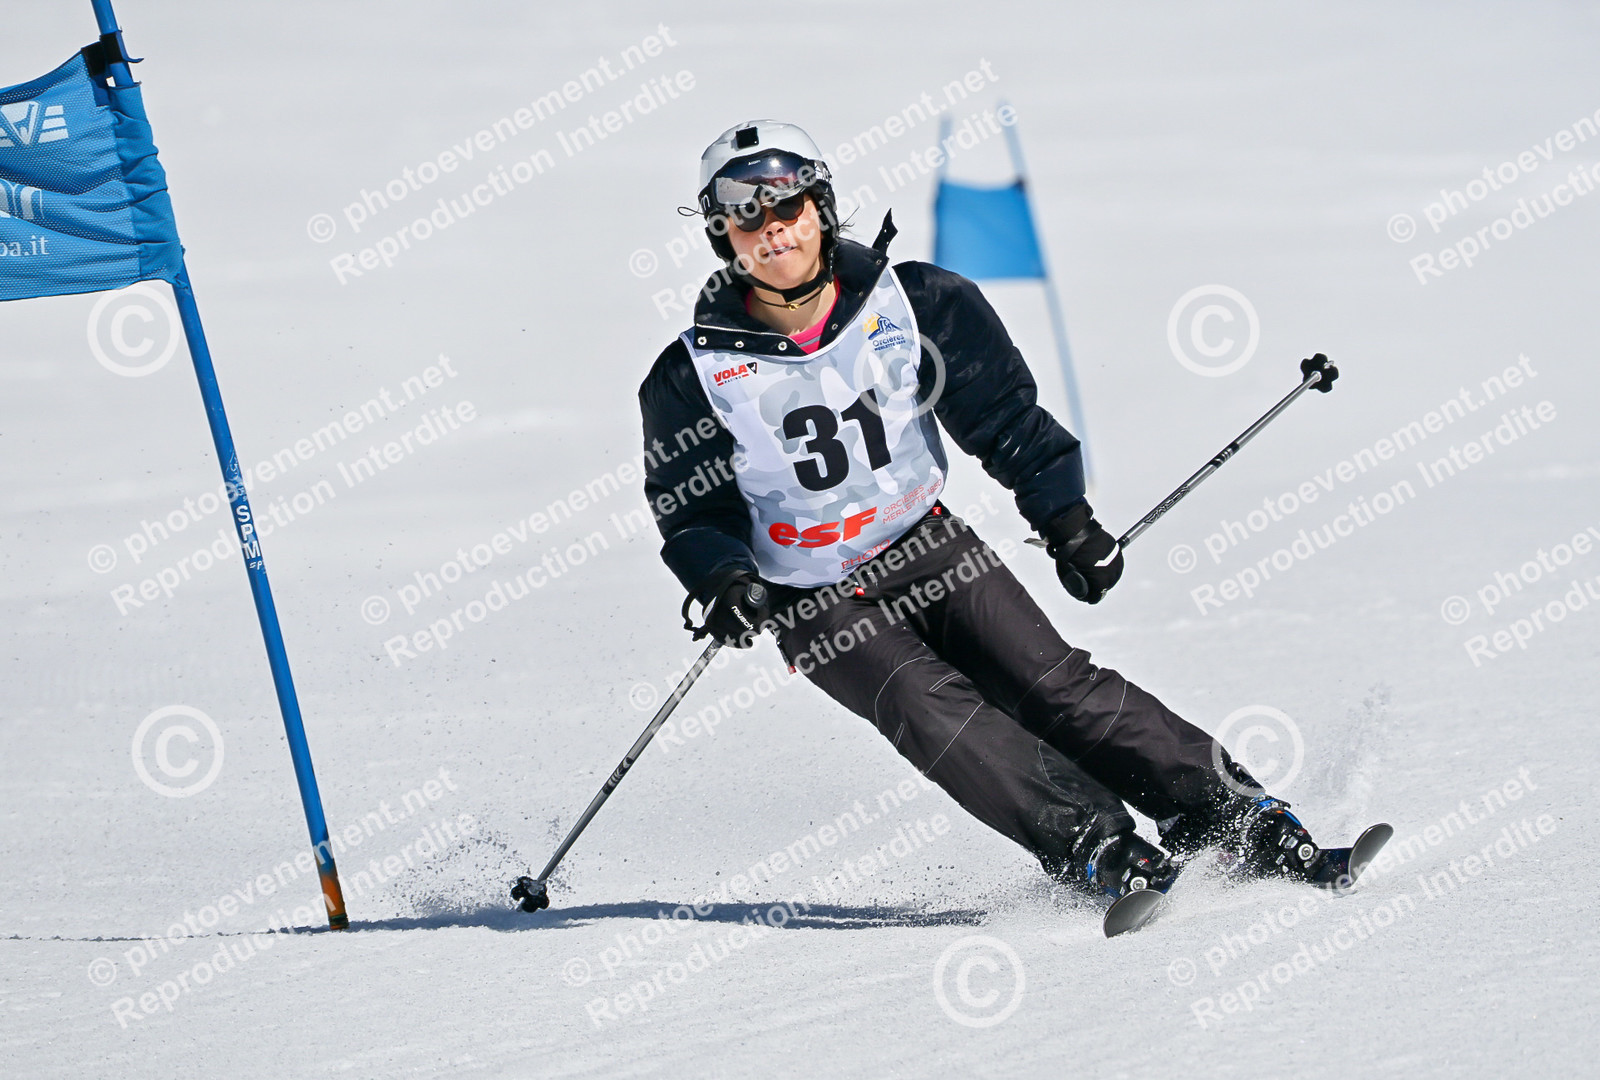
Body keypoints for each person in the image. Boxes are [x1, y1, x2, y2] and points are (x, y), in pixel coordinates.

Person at [638, 120, 1328, 902]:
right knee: (932, 710)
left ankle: (1233, 815)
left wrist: (1066, 520)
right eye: (747, 216)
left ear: (819, 207)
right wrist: (724, 580)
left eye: (787, 206)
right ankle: (1098, 847)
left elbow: (1001, 415)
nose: (773, 230)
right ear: (723, 234)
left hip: (926, 542)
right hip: (813, 593)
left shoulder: (914, 303)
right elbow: (691, 509)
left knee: (1054, 684)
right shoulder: (694, 373)